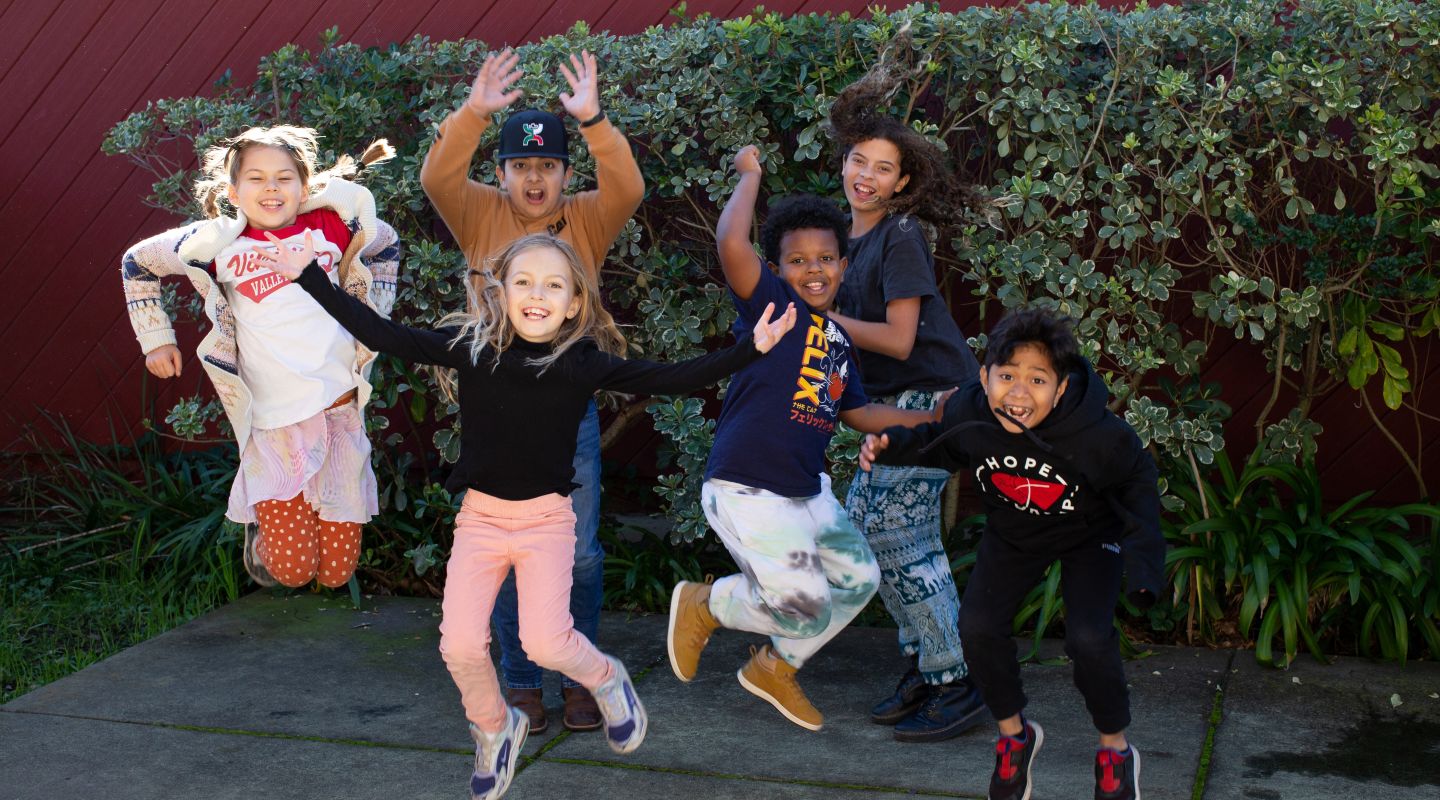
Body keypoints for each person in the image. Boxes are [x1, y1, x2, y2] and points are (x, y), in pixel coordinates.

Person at [258, 231, 795, 800]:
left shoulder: (581, 364)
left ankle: (606, 677)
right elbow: (379, 333)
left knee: (547, 642)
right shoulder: (471, 349)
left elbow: (672, 377)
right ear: (502, 292)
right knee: (459, 645)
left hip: (546, 523)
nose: (538, 294)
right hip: (481, 522)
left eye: (554, 285)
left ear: (574, 304)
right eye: (525, 282)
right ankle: (495, 726)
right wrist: (307, 275)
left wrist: (751, 349)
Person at [665, 145, 945, 731]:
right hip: (748, 488)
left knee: (859, 578)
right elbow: (732, 245)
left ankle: (776, 666)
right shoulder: (774, 308)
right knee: (806, 603)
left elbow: (860, 413)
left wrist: (936, 421)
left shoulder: (839, 341)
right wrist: (749, 175)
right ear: (778, 270)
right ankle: (705, 603)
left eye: (825, 258)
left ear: (844, 264)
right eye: (796, 260)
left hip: (804, 489)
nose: (812, 270)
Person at [420, 48, 645, 734]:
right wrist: (475, 111)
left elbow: (629, 186)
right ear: (502, 171)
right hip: (492, 413)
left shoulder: (586, 217)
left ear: (565, 173)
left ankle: (580, 675)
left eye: (548, 165)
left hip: (563, 410)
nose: (535, 178)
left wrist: (595, 120)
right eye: (523, 165)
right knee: (506, 553)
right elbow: (435, 174)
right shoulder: (479, 211)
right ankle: (521, 683)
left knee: (577, 550)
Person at [859, 308, 1163, 800]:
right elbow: (940, 445)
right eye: (1006, 377)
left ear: (1061, 388)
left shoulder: (1099, 436)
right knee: (977, 627)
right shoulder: (972, 414)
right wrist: (891, 445)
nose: (1018, 394)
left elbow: (1138, 486)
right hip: (1016, 532)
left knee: (1088, 639)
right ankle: (1014, 738)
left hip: (1089, 534)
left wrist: (1144, 565)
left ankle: (1115, 751)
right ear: (984, 377)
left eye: (1037, 380)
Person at [121, 125, 399, 590]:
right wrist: (156, 338)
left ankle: (295, 515)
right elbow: (137, 262)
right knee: (292, 572)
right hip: (273, 425)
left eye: (284, 177)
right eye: (255, 178)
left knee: (336, 573)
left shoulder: (333, 228)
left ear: (304, 187)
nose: (271, 187)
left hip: (338, 415)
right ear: (232, 191)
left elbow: (387, 245)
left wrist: (375, 315)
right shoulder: (218, 244)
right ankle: (262, 527)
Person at [823, 50, 989, 743]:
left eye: (883, 167)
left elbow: (896, 339)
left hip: (934, 402)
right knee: (872, 536)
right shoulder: (843, 242)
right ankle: (926, 663)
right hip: (893, 408)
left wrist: (823, 321)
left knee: (897, 533)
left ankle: (960, 680)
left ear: (904, 182)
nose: (866, 175)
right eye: (859, 160)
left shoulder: (900, 236)